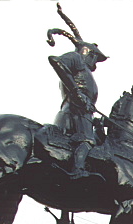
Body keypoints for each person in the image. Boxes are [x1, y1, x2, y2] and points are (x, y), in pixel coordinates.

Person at [46, 3, 108, 179]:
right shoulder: (75, 59)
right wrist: (76, 92)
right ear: (90, 54)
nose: (95, 63)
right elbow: (55, 60)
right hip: (74, 112)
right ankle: (77, 171)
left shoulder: (86, 71)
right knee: (86, 142)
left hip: (84, 115)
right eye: (96, 58)